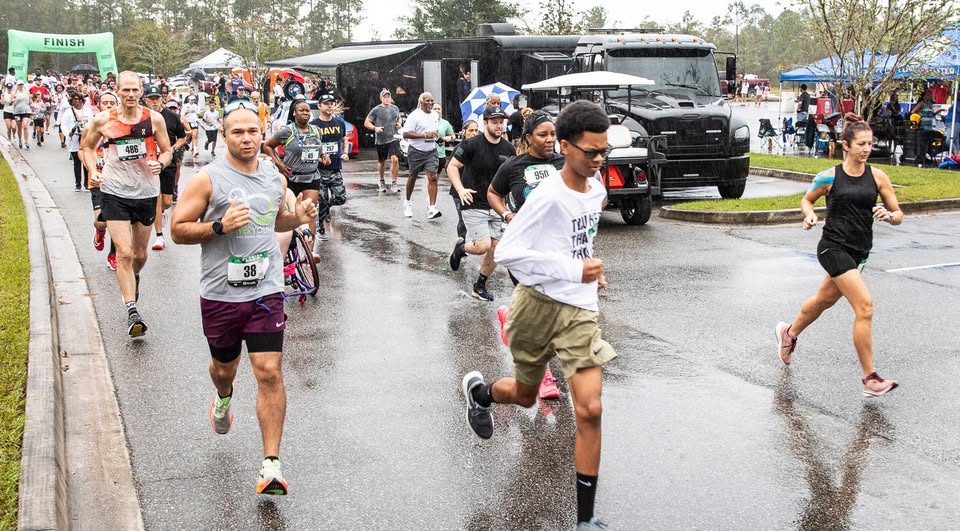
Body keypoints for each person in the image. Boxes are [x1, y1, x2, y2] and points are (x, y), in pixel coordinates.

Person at [461, 100, 615, 530]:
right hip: (536, 305)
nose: (598, 160)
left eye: (604, 151)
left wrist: (589, 271)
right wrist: (572, 269)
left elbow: (578, 241)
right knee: (526, 396)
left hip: (579, 309)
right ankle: (481, 394)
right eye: (591, 152)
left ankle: (585, 520)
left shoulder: (596, 189)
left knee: (590, 409)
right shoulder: (547, 196)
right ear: (565, 147)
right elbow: (508, 251)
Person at [170, 99, 318, 496]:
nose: (247, 138)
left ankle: (271, 465)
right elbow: (178, 230)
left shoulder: (274, 177)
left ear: (262, 133)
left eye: (253, 131)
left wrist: (299, 218)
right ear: (224, 135)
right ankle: (223, 396)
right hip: (220, 294)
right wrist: (219, 226)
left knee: (269, 370)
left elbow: (276, 219)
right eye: (237, 132)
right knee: (225, 369)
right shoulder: (207, 179)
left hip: (266, 290)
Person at [776, 114, 902, 397]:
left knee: (824, 300)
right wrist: (809, 216)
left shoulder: (878, 177)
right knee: (864, 307)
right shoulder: (829, 176)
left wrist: (889, 215)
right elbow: (807, 199)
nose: (867, 149)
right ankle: (870, 378)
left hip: (859, 252)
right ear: (846, 146)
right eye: (861, 144)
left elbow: (898, 214)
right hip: (832, 247)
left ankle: (789, 332)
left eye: (869, 143)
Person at [81, 71, 174, 337]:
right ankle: (132, 310)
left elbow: (167, 150)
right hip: (114, 191)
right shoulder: (103, 120)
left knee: (139, 255)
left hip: (145, 192)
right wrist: (93, 170)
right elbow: (87, 148)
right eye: (126, 90)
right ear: (118, 91)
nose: (131, 94)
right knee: (124, 252)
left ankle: (134, 277)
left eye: (135, 90)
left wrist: (161, 163)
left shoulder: (153, 119)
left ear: (141, 91)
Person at [487, 110, 567, 400]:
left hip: (558, 248)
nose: (549, 139)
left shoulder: (564, 164)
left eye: (553, 134)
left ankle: (511, 318)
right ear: (529, 138)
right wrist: (507, 214)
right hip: (524, 247)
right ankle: (544, 377)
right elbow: (493, 193)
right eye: (543, 135)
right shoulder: (513, 166)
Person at [446, 105, 514, 301]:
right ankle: (461, 248)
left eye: (501, 122)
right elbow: (452, 167)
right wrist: (460, 189)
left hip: (497, 206)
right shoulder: (471, 144)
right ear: (485, 123)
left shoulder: (509, 149)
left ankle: (480, 286)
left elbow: (512, 176)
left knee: (496, 249)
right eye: (494, 122)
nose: (499, 126)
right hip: (473, 202)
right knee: (483, 245)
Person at [263, 99, 323, 260]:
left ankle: (309, 252)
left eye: (307, 111)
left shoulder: (316, 130)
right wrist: (279, 164)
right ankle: (288, 246)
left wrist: (323, 156)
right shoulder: (287, 131)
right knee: (291, 213)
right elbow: (267, 146)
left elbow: (318, 148)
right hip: (291, 178)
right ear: (294, 113)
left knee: (310, 212)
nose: (305, 113)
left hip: (311, 177)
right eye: (301, 110)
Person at [142, 86, 188, 251]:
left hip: (167, 162)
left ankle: (161, 212)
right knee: (156, 198)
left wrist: (172, 149)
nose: (154, 102)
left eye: (157, 98)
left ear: (162, 99)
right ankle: (159, 236)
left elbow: (182, 137)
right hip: (149, 163)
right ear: (145, 100)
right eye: (151, 99)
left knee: (167, 202)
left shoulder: (172, 116)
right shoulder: (141, 117)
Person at [80, 91, 119, 270]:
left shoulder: (122, 128)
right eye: (105, 102)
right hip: (97, 180)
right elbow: (82, 150)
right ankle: (99, 230)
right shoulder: (90, 128)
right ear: (99, 105)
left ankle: (113, 255)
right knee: (102, 221)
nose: (109, 105)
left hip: (117, 180)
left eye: (112, 102)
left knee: (117, 220)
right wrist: (92, 169)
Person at [309, 93, 350, 242]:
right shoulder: (313, 125)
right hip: (319, 169)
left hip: (335, 167)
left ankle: (326, 209)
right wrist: (319, 156)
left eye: (331, 103)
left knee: (340, 198)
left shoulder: (339, 123)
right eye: (326, 103)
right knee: (322, 198)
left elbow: (345, 140)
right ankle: (320, 228)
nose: (329, 105)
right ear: (319, 106)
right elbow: (309, 146)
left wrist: (345, 152)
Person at [401, 92, 442, 219]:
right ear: (421, 102)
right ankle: (408, 202)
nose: (430, 103)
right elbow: (406, 134)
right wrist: (424, 135)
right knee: (413, 177)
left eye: (432, 101)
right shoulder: (414, 116)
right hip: (416, 150)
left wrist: (438, 138)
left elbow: (434, 131)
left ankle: (432, 208)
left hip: (431, 151)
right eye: (427, 101)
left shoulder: (435, 115)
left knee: (433, 177)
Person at [364, 89, 402, 193]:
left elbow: (398, 118)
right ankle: (381, 181)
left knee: (395, 159)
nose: (387, 99)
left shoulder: (395, 108)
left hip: (394, 138)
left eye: (388, 97)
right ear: (381, 98)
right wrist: (375, 128)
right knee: (382, 161)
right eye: (385, 97)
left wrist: (399, 123)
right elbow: (366, 122)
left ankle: (394, 183)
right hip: (381, 139)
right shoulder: (376, 110)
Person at [61, 90, 95, 190]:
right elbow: (64, 125)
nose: (76, 101)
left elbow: (92, 123)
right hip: (74, 138)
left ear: (82, 100)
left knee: (86, 161)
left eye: (78, 99)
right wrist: (68, 133)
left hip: (85, 138)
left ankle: (86, 183)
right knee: (76, 162)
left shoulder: (88, 111)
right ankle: (77, 184)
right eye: (74, 99)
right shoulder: (68, 112)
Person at [433, 102, 456, 176]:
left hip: (440, 155)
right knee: (431, 177)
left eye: (438, 109)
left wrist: (448, 138)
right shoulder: (426, 121)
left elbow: (453, 137)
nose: (437, 110)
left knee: (436, 178)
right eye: (435, 108)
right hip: (429, 154)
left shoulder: (445, 123)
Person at [11, 81, 32, 149]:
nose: (21, 86)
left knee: (25, 126)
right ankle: (20, 140)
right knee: (19, 127)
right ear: (17, 86)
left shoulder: (27, 92)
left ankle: (26, 142)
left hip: (26, 111)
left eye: (22, 85)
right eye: (19, 85)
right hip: (17, 112)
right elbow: (10, 102)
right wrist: (13, 100)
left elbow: (30, 101)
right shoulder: (14, 93)